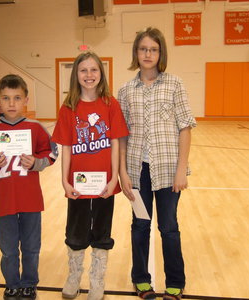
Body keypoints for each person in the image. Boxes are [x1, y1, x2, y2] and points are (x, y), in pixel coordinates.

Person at [117, 27, 196, 300]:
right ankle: (141, 281)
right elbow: (121, 135)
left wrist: (181, 169)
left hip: (167, 170)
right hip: (138, 172)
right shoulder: (126, 90)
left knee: (169, 227)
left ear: (160, 53)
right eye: (143, 49)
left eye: (153, 49)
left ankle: (175, 282)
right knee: (140, 226)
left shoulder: (175, 84)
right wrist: (123, 173)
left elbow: (185, 128)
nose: (148, 54)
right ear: (136, 53)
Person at [51, 51, 129, 300]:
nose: (89, 75)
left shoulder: (110, 104)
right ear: (76, 74)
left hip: (105, 182)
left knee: (102, 231)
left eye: (94, 70)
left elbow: (116, 142)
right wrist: (64, 180)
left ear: (101, 74)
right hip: (78, 184)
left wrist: (114, 177)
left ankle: (97, 280)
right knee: (75, 230)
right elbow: (65, 146)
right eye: (83, 70)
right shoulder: (68, 108)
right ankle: (74, 276)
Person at [0, 74, 58, 300]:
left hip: (30, 200)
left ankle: (29, 283)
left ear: (26, 100)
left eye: (17, 98)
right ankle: (11, 283)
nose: (12, 104)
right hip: (5, 201)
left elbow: (51, 152)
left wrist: (36, 162)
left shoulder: (36, 127)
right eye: (6, 98)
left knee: (31, 247)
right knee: (9, 249)